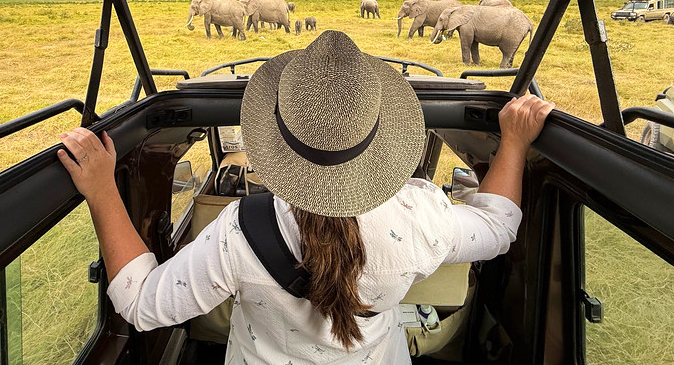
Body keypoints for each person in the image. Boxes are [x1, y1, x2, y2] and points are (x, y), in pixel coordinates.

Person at [58, 30, 554, 364]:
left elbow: (142, 305)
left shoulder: (239, 233)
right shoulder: (421, 216)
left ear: (277, 142)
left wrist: (102, 190)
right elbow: (498, 227)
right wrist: (512, 142)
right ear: (380, 141)